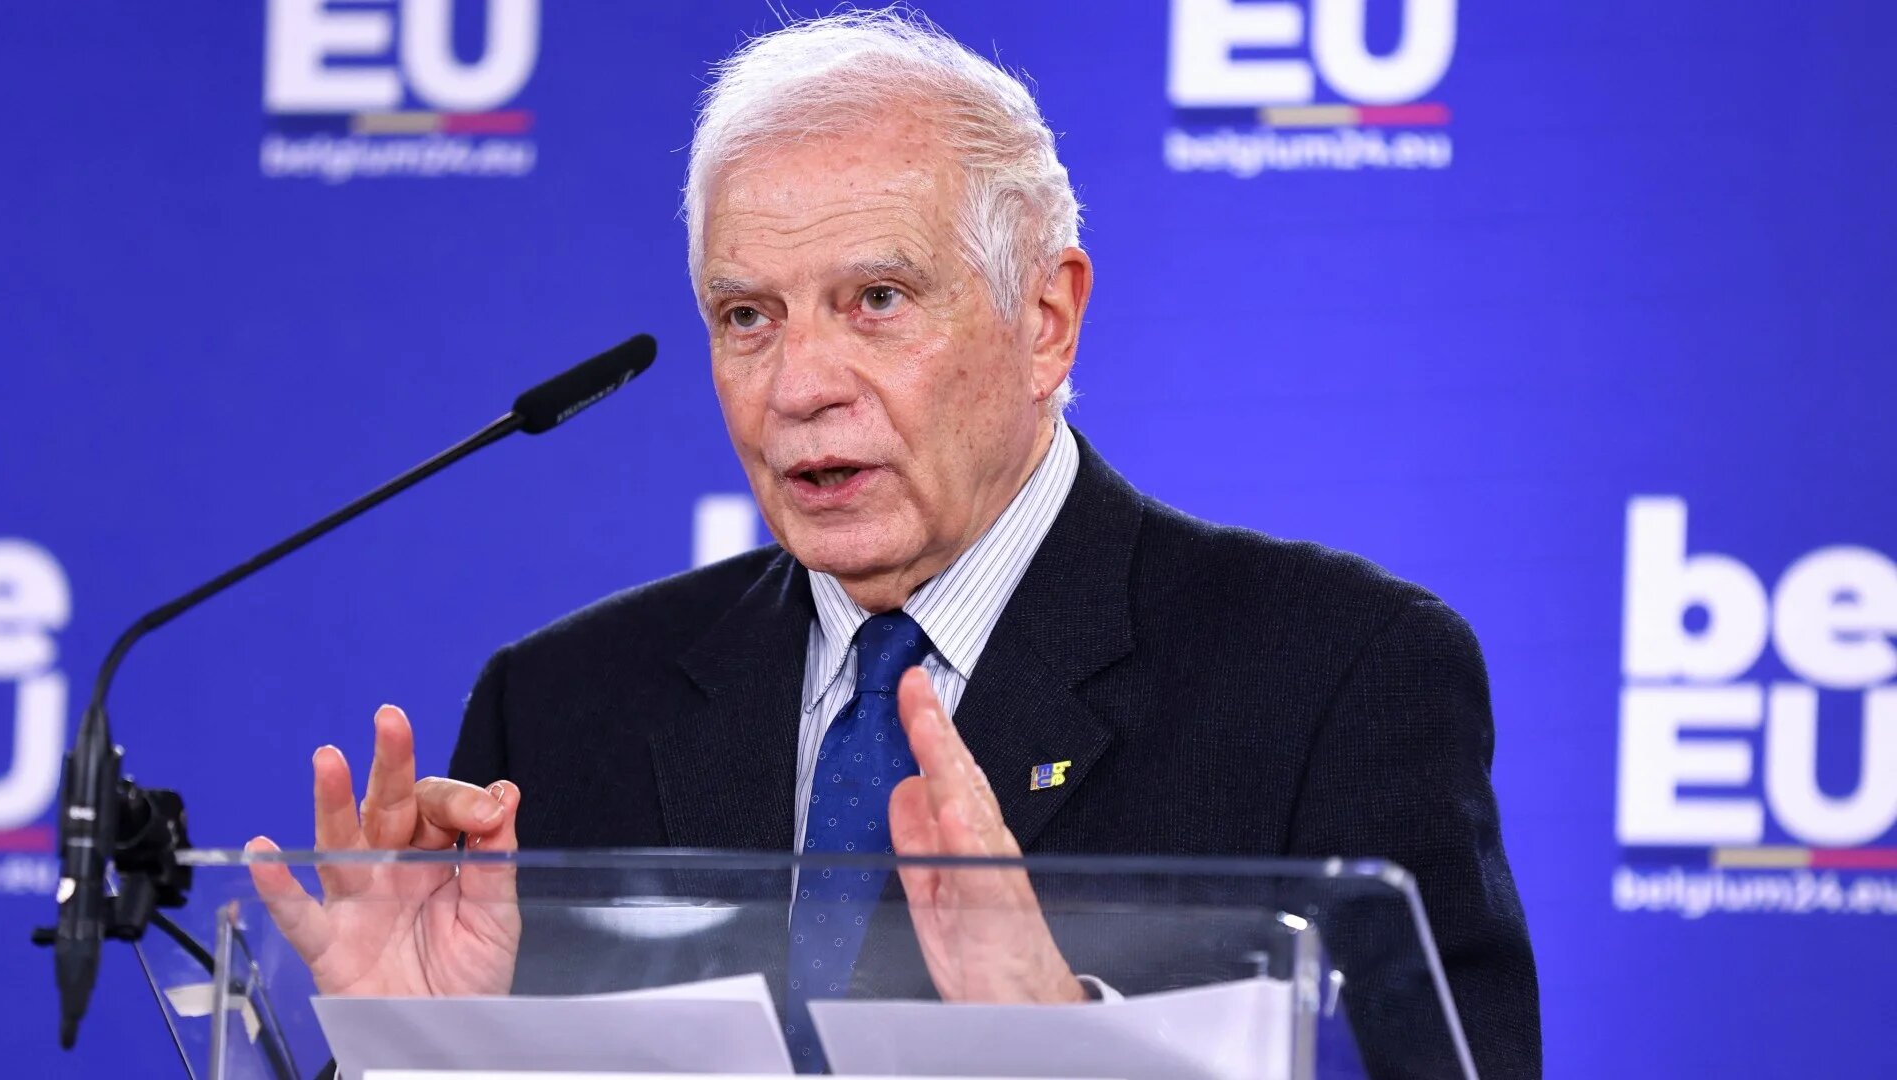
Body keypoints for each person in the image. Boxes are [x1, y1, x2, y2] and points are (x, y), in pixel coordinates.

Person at [249, 8, 1540, 1077]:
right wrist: (406, 1045)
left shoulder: (1334, 679)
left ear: (1046, 319)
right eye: (747, 315)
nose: (799, 382)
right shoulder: (560, 711)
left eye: (876, 300)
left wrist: (1072, 1047)